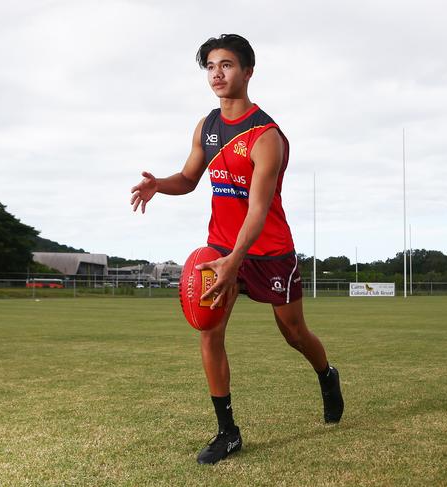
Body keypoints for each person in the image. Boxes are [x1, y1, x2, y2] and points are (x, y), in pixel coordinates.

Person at [130, 34, 343, 465]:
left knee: (294, 334)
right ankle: (227, 432)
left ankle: (327, 374)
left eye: (226, 65)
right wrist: (160, 186)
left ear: (247, 71)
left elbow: (259, 210)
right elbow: (189, 179)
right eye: (210, 66)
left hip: (269, 250)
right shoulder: (207, 126)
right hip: (220, 246)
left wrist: (237, 261)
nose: (216, 74)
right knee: (209, 331)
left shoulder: (267, 136)